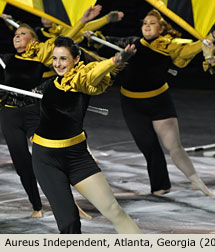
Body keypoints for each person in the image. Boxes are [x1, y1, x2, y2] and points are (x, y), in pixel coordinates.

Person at [0, 5, 103, 218]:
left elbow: (63, 42)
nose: (17, 36)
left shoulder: (40, 58)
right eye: (15, 34)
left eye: (22, 34)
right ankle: (36, 206)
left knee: (52, 157)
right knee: (22, 164)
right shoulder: (7, 59)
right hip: (10, 115)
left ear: (33, 41)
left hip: (34, 113)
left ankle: (72, 206)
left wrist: (82, 20)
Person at [99, 10, 215, 196]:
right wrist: (91, 33)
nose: (147, 25)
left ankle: (195, 180)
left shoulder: (169, 46)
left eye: (152, 23)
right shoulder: (132, 42)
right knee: (150, 148)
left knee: (174, 146)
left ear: (162, 29)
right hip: (132, 105)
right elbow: (103, 39)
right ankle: (161, 186)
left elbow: (191, 49)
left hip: (159, 101)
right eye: (145, 22)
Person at [29, 35, 140, 234]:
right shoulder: (50, 84)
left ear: (76, 59)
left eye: (63, 58)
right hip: (45, 159)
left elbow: (95, 73)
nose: (58, 63)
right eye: (55, 58)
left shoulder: (82, 79)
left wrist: (115, 61)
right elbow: (23, 101)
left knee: (114, 210)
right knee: (69, 222)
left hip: (76, 156)